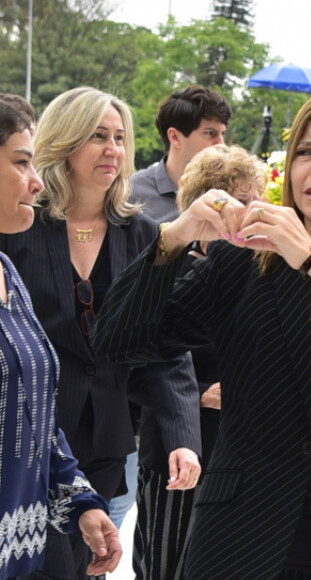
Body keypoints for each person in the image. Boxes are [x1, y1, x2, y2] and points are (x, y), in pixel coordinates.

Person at [93, 90, 311, 579]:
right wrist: (171, 240)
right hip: (240, 536)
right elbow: (118, 342)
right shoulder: (239, 265)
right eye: (305, 151)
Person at [0, 87, 201, 580]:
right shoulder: (19, 220)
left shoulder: (143, 234)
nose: (113, 148)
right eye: (97, 136)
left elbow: (164, 345)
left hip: (105, 437)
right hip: (23, 438)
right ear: (64, 142)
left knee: (84, 563)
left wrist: (181, 435)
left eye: (119, 137)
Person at [0, 102, 121, 579]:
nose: (37, 181)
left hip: (24, 555)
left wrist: (81, 504)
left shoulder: (8, 273)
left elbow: (33, 418)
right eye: (21, 162)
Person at [127, 87, 231, 580]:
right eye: (210, 132)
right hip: (164, 426)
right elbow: (139, 333)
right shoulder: (134, 206)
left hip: (231, 444)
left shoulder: (257, 262)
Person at [131, 85, 232, 222]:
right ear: (175, 137)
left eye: (222, 134)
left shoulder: (232, 189)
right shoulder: (132, 194)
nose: (221, 144)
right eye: (210, 133)